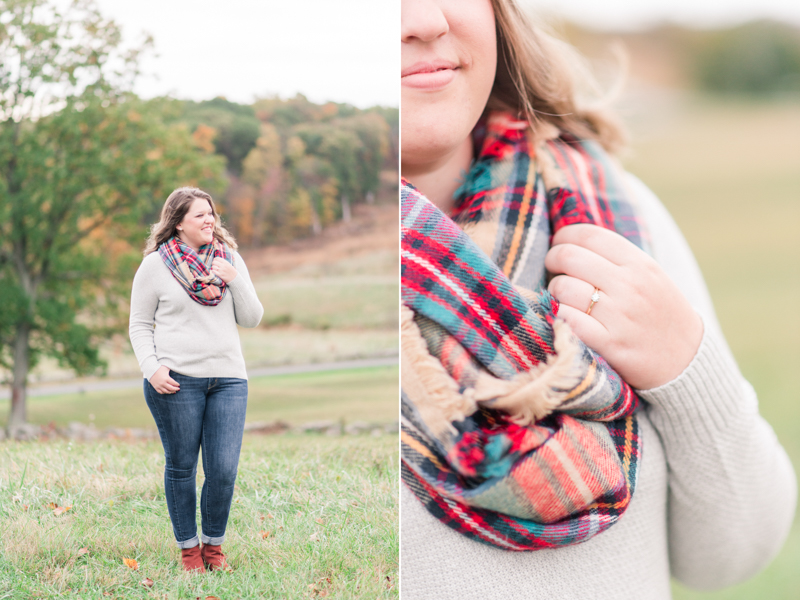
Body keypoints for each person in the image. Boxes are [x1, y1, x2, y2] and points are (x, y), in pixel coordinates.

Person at [399, 1, 796, 598]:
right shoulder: (289, 294)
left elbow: (731, 557)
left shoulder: (609, 216)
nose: (425, 20)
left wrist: (685, 366)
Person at [129, 187, 264, 572]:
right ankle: (189, 550)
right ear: (178, 223)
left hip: (229, 379)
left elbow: (252, 318)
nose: (210, 221)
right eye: (200, 215)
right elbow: (139, 324)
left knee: (222, 470)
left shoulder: (229, 259)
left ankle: (214, 548)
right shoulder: (155, 265)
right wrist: (151, 368)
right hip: (176, 381)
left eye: (212, 213)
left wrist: (234, 278)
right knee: (182, 467)